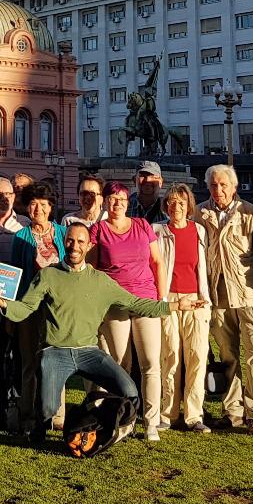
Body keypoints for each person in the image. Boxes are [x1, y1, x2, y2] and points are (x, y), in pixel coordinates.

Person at [0, 220, 174, 445]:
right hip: (55, 352)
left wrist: (173, 306)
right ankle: (39, 428)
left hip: (89, 352)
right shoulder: (48, 275)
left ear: (89, 246)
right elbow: (25, 308)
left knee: (129, 391)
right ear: (64, 243)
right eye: (70, 241)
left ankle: (99, 425)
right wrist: (4, 304)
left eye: (80, 242)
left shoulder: (100, 280)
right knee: (48, 408)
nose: (75, 246)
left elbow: (135, 303)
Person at [196, 164, 253, 438]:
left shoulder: (250, 214)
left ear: (234, 187)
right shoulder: (199, 214)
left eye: (223, 185)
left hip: (250, 296)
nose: (218, 190)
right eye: (213, 185)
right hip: (218, 297)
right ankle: (232, 412)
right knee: (227, 356)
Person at [89, 181, 165, 440]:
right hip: (114, 303)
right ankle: (124, 420)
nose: (118, 204)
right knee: (121, 365)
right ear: (105, 202)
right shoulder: (98, 229)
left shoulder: (142, 225)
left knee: (150, 363)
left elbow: (157, 262)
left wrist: (162, 299)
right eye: (113, 199)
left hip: (146, 300)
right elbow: (92, 269)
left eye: (122, 199)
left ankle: (151, 422)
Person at [4, 180, 67, 432]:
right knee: (29, 362)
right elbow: (15, 276)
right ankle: (28, 415)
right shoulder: (20, 237)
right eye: (32, 204)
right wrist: (13, 313)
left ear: (51, 207)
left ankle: (57, 414)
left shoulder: (62, 233)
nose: (38, 209)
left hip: (58, 309)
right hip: (30, 308)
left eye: (43, 204)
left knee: (57, 361)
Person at [155, 184, 214, 433]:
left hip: (196, 300)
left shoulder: (199, 231)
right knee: (170, 356)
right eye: (171, 202)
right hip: (169, 300)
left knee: (197, 357)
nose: (175, 207)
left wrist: (205, 297)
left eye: (181, 202)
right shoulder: (158, 231)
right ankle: (167, 413)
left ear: (189, 205)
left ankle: (194, 415)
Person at [0, 174, 27, 430]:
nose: (3, 198)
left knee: (19, 357)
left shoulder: (25, 225)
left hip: (20, 302)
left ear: (14, 196)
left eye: (8, 194)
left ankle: (17, 409)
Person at [130, 161, 167, 225]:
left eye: (153, 176)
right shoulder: (123, 207)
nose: (147, 180)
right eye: (143, 176)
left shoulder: (168, 209)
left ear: (161, 182)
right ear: (134, 180)